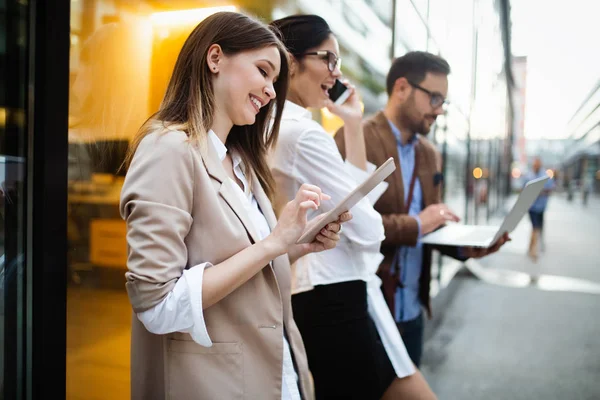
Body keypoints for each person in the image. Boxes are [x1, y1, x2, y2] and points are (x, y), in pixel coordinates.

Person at [119, 12, 350, 400]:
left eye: (275, 81)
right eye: (263, 71)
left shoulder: (242, 162)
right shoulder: (169, 149)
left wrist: (297, 244)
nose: (272, 91)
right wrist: (273, 244)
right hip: (212, 381)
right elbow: (156, 305)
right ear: (215, 59)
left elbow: (246, 261)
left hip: (273, 372)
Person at [270, 15, 436, 400]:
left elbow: (353, 193)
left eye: (338, 63)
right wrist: (367, 227)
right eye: (327, 59)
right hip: (335, 292)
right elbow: (368, 230)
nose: (335, 73)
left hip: (328, 288)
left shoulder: (279, 127)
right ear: (290, 62)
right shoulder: (304, 133)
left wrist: (351, 121)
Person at [335, 51, 509, 368]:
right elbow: (343, 226)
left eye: (444, 102)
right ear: (402, 88)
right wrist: (416, 224)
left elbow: (430, 229)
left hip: (413, 312)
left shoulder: (430, 154)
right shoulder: (356, 139)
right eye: (434, 98)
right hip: (368, 309)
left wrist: (468, 248)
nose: (439, 110)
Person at [525, 157, 554, 262]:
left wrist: (540, 191)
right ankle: (534, 250)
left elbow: (550, 189)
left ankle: (532, 247)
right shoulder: (529, 175)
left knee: (537, 228)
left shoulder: (545, 176)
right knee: (535, 227)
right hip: (531, 206)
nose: (535, 166)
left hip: (541, 207)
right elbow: (523, 188)